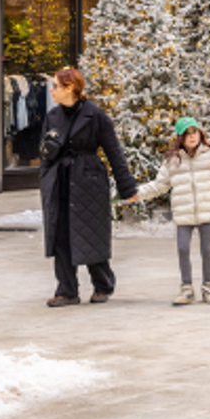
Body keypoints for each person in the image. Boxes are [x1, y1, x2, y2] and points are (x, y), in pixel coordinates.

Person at [39, 67, 141, 307]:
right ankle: (67, 290)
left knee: (90, 232)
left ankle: (103, 284)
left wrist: (128, 188)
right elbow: (42, 153)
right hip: (59, 181)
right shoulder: (52, 116)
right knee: (60, 234)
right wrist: (46, 177)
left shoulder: (95, 116)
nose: (51, 91)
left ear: (70, 87)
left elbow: (114, 152)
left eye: (55, 86)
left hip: (88, 181)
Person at [135, 117, 210, 306]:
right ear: (180, 138)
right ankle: (187, 289)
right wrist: (137, 194)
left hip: (207, 209)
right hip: (183, 212)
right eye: (187, 133)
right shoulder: (172, 161)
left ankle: (208, 288)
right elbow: (159, 185)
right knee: (183, 248)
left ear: (200, 134)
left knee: (207, 250)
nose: (192, 136)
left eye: (194, 132)